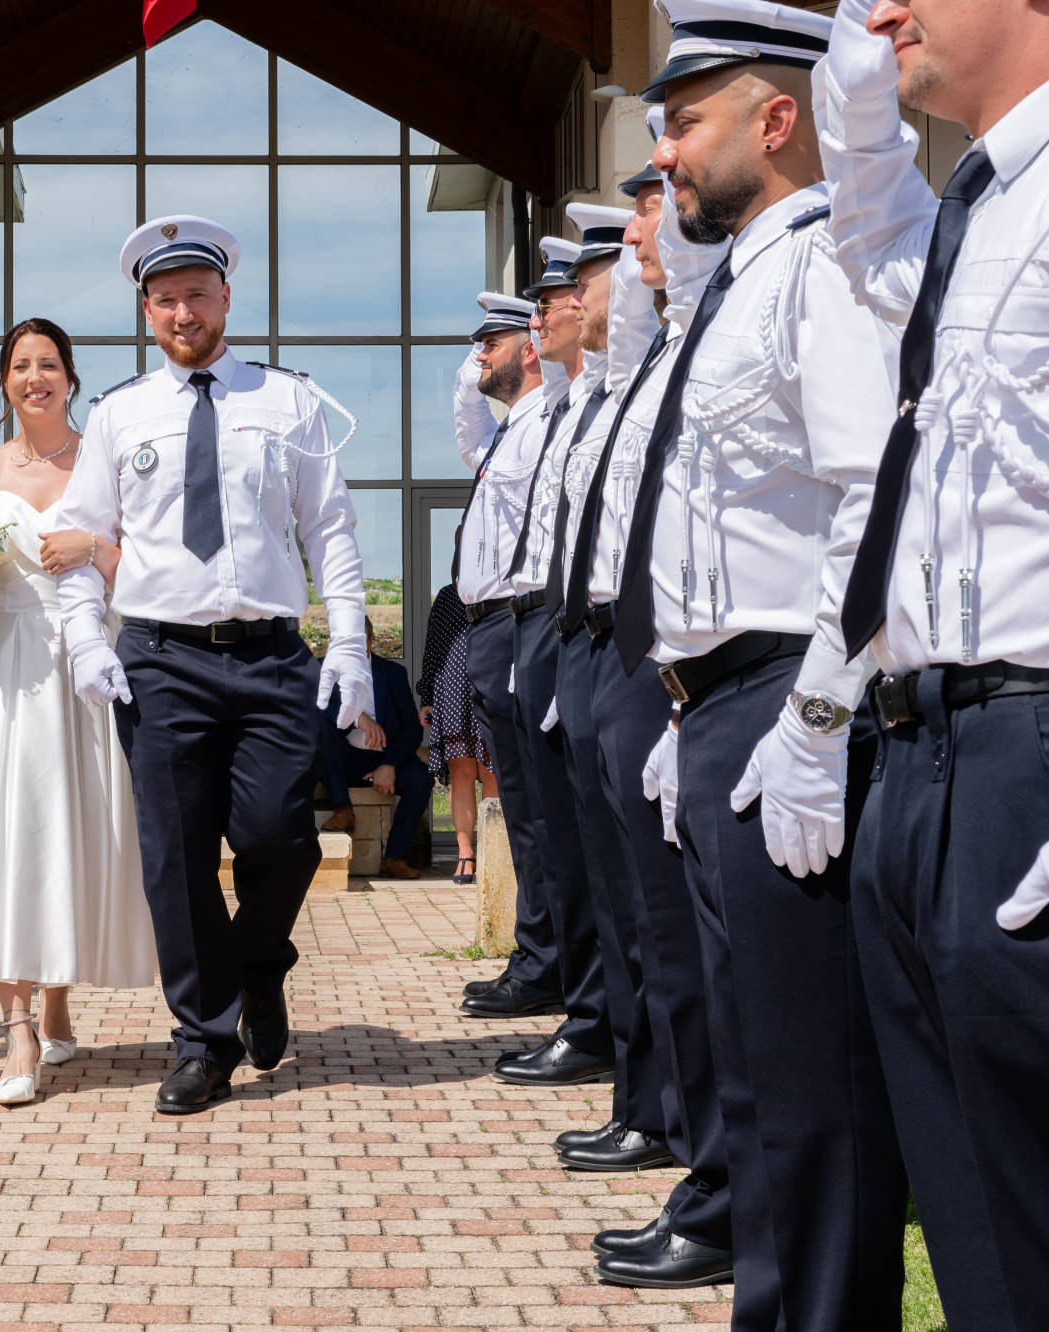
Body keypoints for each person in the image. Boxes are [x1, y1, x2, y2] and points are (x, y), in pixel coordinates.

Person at [818, 2, 1049, 1325]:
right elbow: (871, 258)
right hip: (930, 757)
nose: (878, 10)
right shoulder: (978, 207)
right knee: (981, 1229)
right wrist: (856, 119)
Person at [616, 1, 909, 1319]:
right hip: (724, 706)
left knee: (812, 1093)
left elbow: (869, 503)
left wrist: (815, 719)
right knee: (753, 1075)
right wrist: (689, 710)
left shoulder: (822, 271)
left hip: (791, 702)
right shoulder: (730, 294)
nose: (665, 155)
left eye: (685, 123)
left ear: (774, 120)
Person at [55, 214, 373, 1114]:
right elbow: (85, 543)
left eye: (197, 294)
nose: (183, 311)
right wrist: (87, 639)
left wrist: (347, 640)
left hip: (269, 656)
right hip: (159, 659)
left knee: (281, 835)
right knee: (177, 860)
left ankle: (259, 963)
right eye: (166, 300)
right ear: (147, 314)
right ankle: (202, 1037)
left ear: (226, 297)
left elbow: (331, 531)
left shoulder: (291, 401)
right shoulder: (120, 413)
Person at [552, 141, 739, 1286]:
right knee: (641, 924)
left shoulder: (711, 334)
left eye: (652, 213)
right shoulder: (643, 365)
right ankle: (664, 1120)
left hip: (694, 666)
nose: (631, 244)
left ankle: (695, 1152)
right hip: (621, 659)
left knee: (678, 937)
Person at [0, 317, 157, 1107]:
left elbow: (148, 578)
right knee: (4, 835)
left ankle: (59, 994)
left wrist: (92, 551)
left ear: (71, 376)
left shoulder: (108, 459)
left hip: (81, 661)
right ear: (4, 380)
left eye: (49, 364)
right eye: (21, 366)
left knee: (71, 829)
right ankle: (18, 1025)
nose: (35, 378)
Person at [486, 252, 620, 1094]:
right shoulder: (559, 409)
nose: (543, 318)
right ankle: (584, 1001)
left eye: (560, 299)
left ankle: (588, 1005)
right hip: (545, 625)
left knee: (585, 837)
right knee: (560, 828)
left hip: (575, 621)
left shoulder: (578, 404)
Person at [448, 287, 573, 1021]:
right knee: (521, 803)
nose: (476, 361)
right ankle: (536, 954)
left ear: (527, 348)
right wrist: (474, 377)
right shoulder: (506, 435)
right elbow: (468, 433)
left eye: (487, 346)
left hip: (521, 621)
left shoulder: (545, 422)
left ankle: (545, 960)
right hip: (492, 627)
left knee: (534, 809)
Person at [319, 622, 432, 880]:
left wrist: (389, 765)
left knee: (421, 778)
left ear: (371, 641)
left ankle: (394, 857)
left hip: (384, 756)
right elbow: (314, 711)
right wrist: (358, 718)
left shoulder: (392, 673)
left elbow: (411, 728)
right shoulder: (321, 669)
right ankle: (342, 809)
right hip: (342, 760)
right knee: (319, 728)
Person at [413, 581, 495, 883]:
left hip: (491, 685)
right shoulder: (448, 596)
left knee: (491, 773)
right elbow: (433, 648)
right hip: (453, 689)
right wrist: (428, 699)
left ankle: (489, 853)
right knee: (460, 774)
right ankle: (465, 855)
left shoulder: (500, 590)